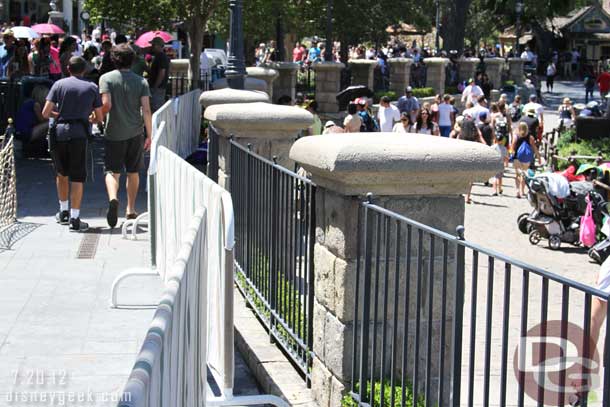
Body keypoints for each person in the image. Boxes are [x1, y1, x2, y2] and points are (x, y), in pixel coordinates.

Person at [41, 56, 104, 232]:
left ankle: (63, 212)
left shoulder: (58, 85)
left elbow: (46, 112)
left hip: (60, 133)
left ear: (68, 68)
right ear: (84, 70)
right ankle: (75, 218)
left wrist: (60, 115)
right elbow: (99, 118)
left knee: (61, 173)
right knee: (77, 177)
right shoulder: (92, 87)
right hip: (79, 134)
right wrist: (88, 117)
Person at [99, 44, 152, 228]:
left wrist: (97, 116)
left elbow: (106, 104)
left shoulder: (106, 79)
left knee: (112, 171)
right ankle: (130, 209)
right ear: (132, 60)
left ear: (113, 59)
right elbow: (146, 109)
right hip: (135, 132)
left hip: (113, 132)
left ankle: (113, 199)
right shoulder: (141, 82)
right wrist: (149, 134)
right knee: (133, 171)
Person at [147, 36, 170, 111]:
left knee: (156, 110)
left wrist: (155, 87)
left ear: (157, 45)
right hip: (158, 88)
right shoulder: (159, 56)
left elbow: (162, 73)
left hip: (158, 89)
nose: (152, 47)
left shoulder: (161, 56)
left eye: (153, 45)